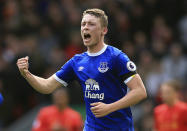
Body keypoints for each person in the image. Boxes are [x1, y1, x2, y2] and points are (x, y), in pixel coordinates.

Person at [17, 8, 147, 130]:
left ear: (104, 30)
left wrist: (109, 108)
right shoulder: (76, 62)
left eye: (91, 24)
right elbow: (46, 86)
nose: (85, 27)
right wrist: (26, 74)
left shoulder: (116, 57)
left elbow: (140, 91)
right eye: (83, 24)